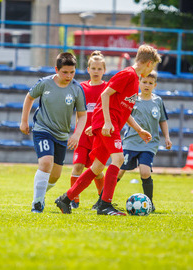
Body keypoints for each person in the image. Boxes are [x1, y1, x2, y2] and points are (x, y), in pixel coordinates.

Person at [55, 44, 161, 216]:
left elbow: (124, 110)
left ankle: (66, 199)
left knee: (96, 167)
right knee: (118, 159)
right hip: (108, 124)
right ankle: (105, 205)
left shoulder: (134, 80)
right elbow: (104, 95)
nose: (151, 70)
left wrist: (139, 130)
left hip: (111, 124)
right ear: (149, 63)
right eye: (153, 66)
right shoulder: (127, 74)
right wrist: (105, 122)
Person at [93, 71, 172, 212]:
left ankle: (149, 203)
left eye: (150, 83)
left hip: (149, 143)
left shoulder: (158, 101)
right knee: (119, 171)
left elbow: (163, 121)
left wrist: (167, 137)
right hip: (130, 142)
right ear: (139, 83)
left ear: (155, 85)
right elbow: (124, 116)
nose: (147, 85)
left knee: (145, 172)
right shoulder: (133, 99)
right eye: (144, 82)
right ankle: (101, 201)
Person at [20, 52, 87, 213]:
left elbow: (82, 115)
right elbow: (29, 97)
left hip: (62, 135)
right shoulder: (45, 83)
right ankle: (37, 203)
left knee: (56, 175)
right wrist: (23, 121)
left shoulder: (77, 89)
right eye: (65, 72)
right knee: (45, 163)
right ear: (56, 69)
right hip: (42, 129)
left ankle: (40, 195)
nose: (69, 76)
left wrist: (77, 134)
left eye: (72, 72)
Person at [69, 51, 107, 209]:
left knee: (97, 171)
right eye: (94, 68)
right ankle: (73, 198)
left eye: (99, 68)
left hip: (99, 136)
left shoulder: (107, 89)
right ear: (88, 69)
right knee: (77, 166)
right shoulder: (81, 88)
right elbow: (78, 113)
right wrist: (76, 133)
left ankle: (102, 198)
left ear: (104, 70)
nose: (96, 71)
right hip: (83, 135)